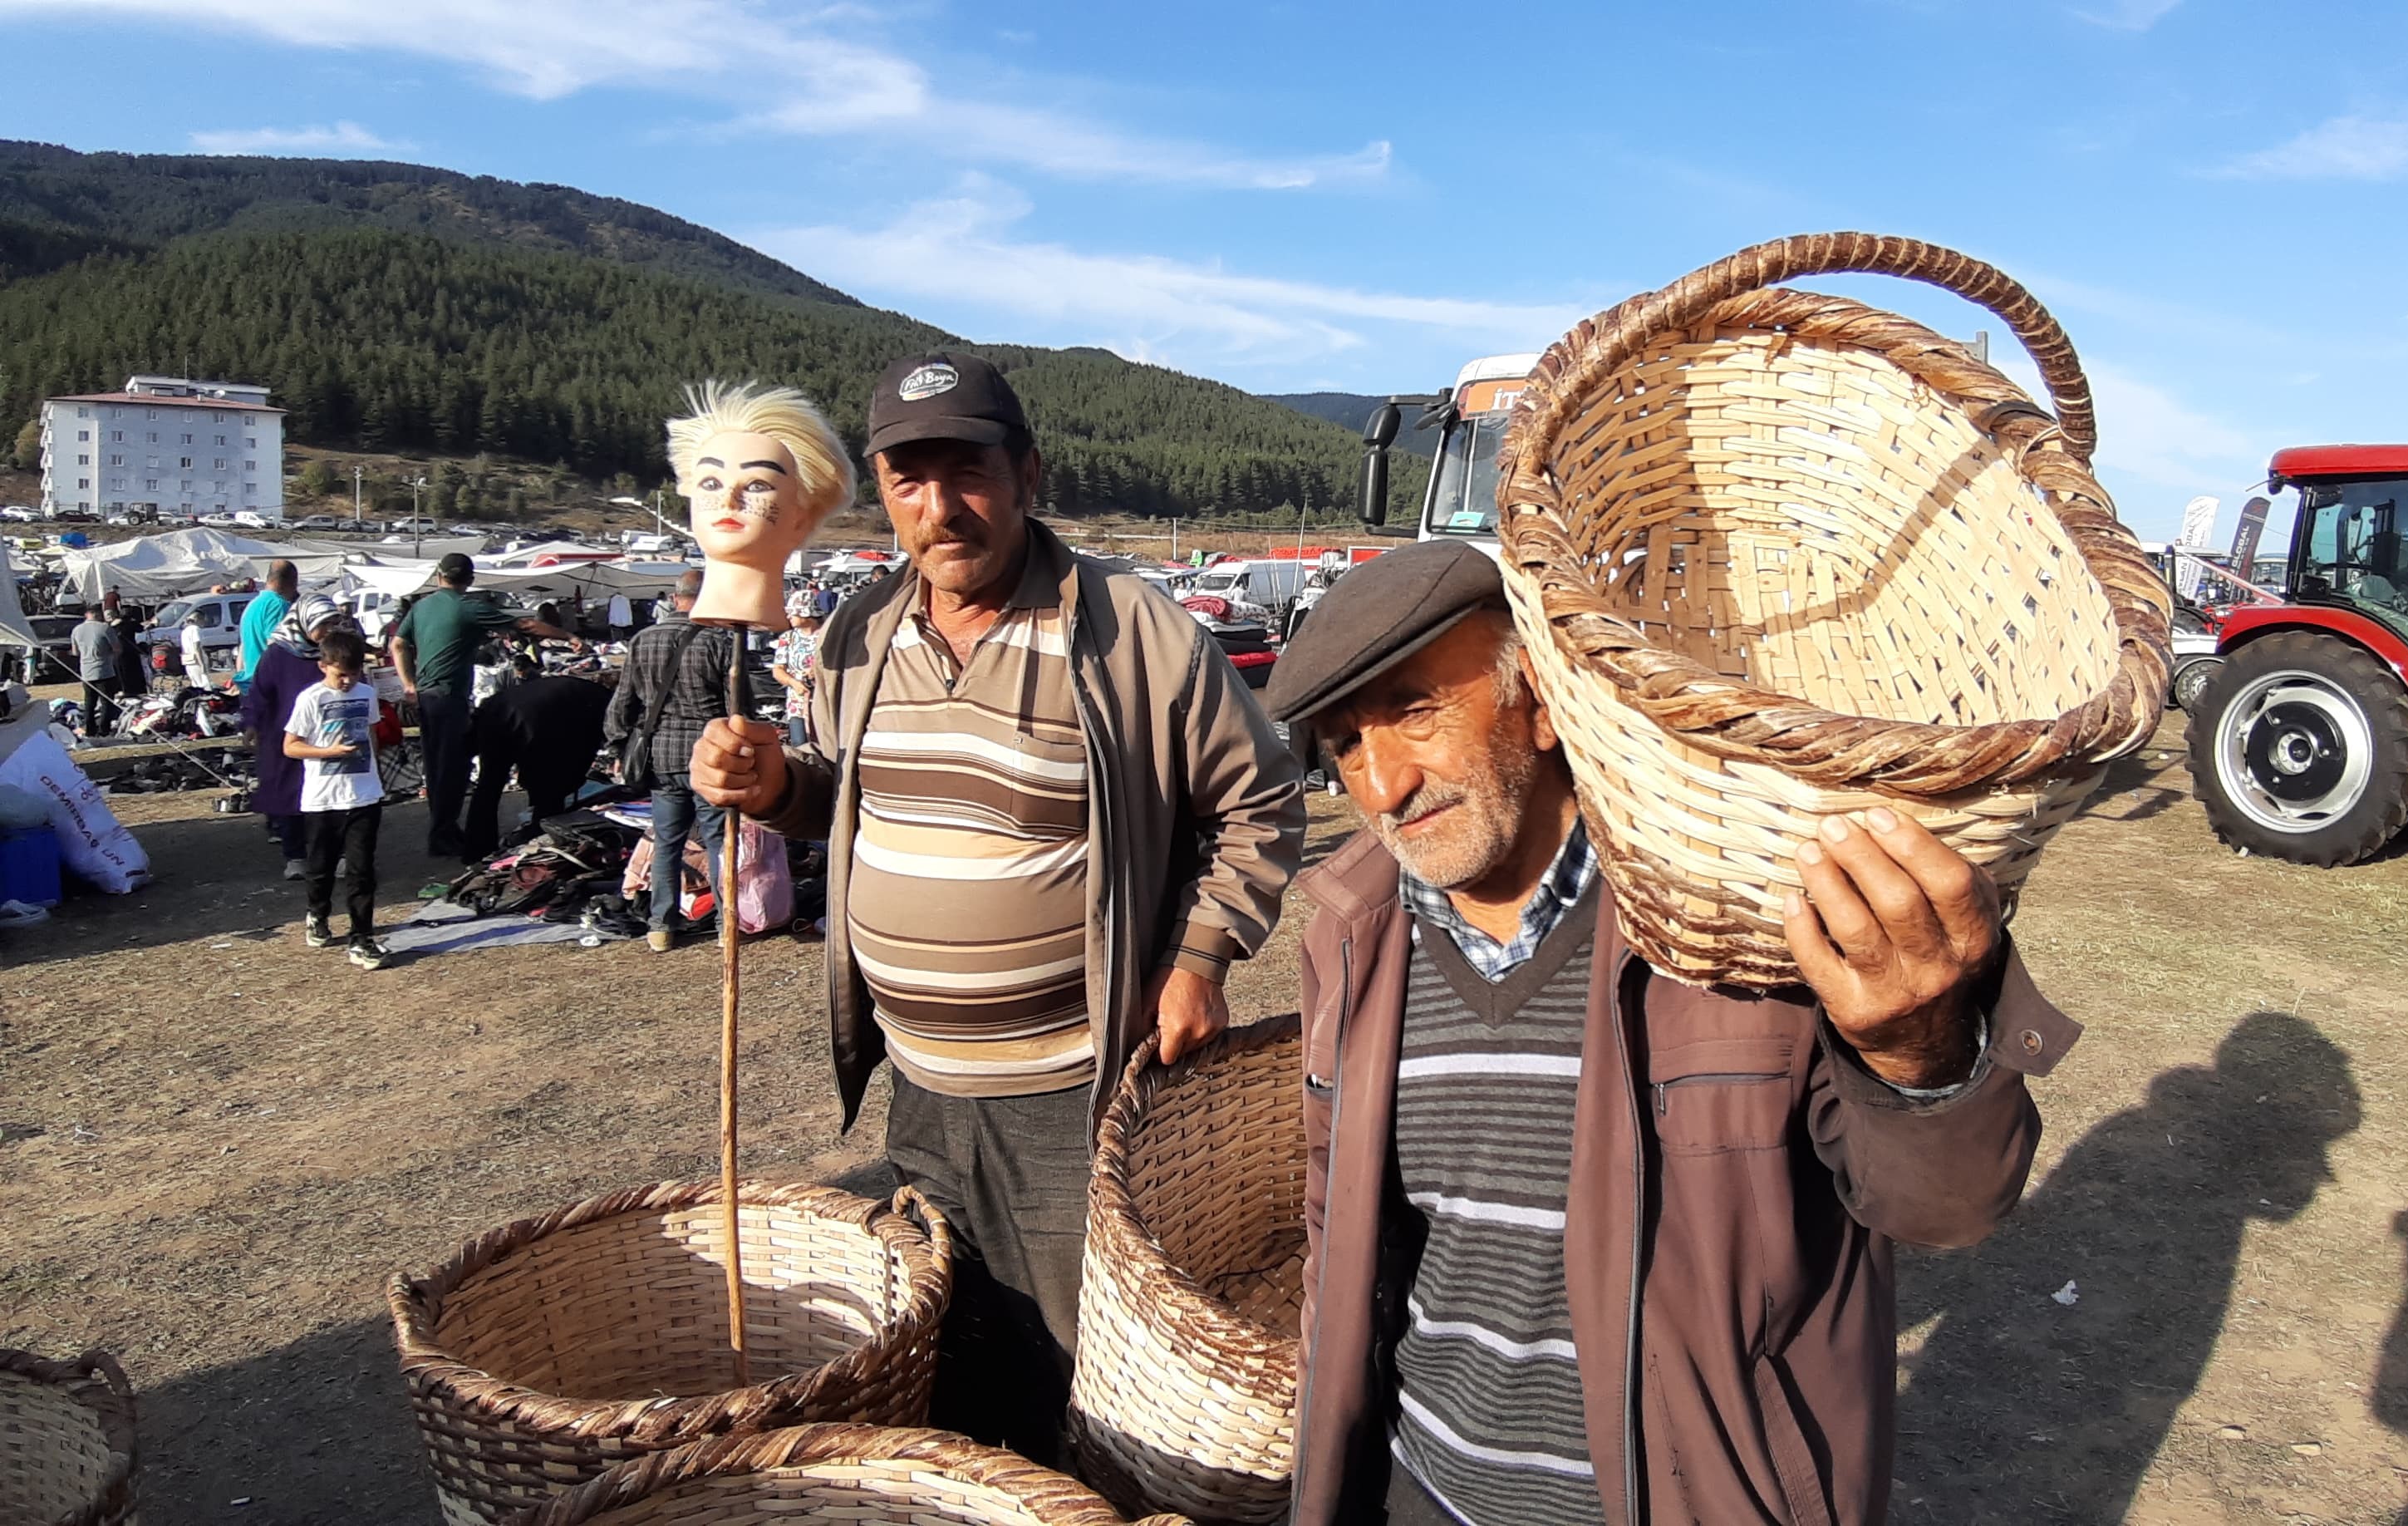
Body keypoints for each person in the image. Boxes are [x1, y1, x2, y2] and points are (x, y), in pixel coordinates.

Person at [1263, 541, 2077, 1526]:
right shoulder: (1349, 937)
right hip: (1420, 1493)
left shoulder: (1740, 916)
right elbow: (1332, 1211)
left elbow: (1943, 1207)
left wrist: (1920, 1048)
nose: (1383, 783)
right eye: (1346, 743)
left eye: (1413, 711)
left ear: (1546, 702)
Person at [690, 350, 1305, 1463]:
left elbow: (1261, 801)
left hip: (1067, 1086)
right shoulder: (858, 635)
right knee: (955, 1337)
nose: (940, 506)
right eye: (908, 478)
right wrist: (776, 789)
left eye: (965, 469)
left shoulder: (1130, 631)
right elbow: (845, 803)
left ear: (1027, 472)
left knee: (1092, 1361)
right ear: (881, 490)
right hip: (920, 1081)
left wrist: (1202, 956)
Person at [390, 553, 577, 859]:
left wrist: (409, 685)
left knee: (436, 765)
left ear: (439, 576)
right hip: (449, 697)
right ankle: (442, 835)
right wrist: (568, 635)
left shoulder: (421, 606)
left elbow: (397, 645)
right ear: (471, 580)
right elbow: (527, 624)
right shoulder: (470, 608)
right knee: (453, 765)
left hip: (426, 697)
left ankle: (444, 830)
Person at [607, 568, 732, 948]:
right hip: (709, 755)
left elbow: (621, 705)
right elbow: (738, 706)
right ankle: (728, 923)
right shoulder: (719, 642)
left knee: (666, 842)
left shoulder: (643, 640)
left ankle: (661, 925)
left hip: (661, 755)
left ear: (676, 597)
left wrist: (617, 748)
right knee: (717, 841)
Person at [283, 624, 390, 970]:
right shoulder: (310, 699)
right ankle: (318, 914)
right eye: (341, 675)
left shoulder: (367, 694)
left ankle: (362, 938)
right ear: (323, 666)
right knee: (321, 868)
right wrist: (329, 752)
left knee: (361, 871)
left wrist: (375, 775)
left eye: (354, 674)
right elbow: (291, 746)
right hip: (323, 800)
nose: (347, 682)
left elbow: (372, 735)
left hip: (364, 796)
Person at [243, 593, 356, 879]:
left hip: (329, 732)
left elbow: (354, 679)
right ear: (306, 622)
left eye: (333, 623)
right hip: (288, 734)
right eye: (323, 624)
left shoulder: (334, 650)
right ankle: (295, 856)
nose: (329, 630)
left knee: (334, 796)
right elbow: (259, 691)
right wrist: (250, 723)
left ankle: (339, 854)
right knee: (290, 795)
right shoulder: (279, 654)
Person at [468, 656, 612, 860]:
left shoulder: (581, 691)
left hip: (497, 712)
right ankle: (542, 840)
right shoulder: (602, 704)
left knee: (489, 785)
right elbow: (586, 746)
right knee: (552, 790)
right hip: (532, 724)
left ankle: (477, 850)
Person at [769, 589, 826, 748]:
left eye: (792, 613)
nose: (789, 617)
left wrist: (818, 670)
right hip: (797, 703)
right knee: (800, 745)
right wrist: (793, 683)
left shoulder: (826, 636)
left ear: (805, 613)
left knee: (826, 747)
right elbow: (778, 669)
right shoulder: (787, 638)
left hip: (823, 701)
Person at [237, 559, 297, 687]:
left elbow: (243, 649)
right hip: (269, 684)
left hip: (250, 682)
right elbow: (276, 648)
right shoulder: (278, 605)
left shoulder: (252, 605)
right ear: (291, 582)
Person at [71, 602, 120, 737]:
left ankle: (90, 729)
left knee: (89, 703)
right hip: (104, 670)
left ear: (86, 614)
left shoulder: (76, 630)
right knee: (106, 702)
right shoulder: (104, 628)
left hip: (86, 671)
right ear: (99, 613)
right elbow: (117, 649)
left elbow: (75, 652)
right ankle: (104, 729)